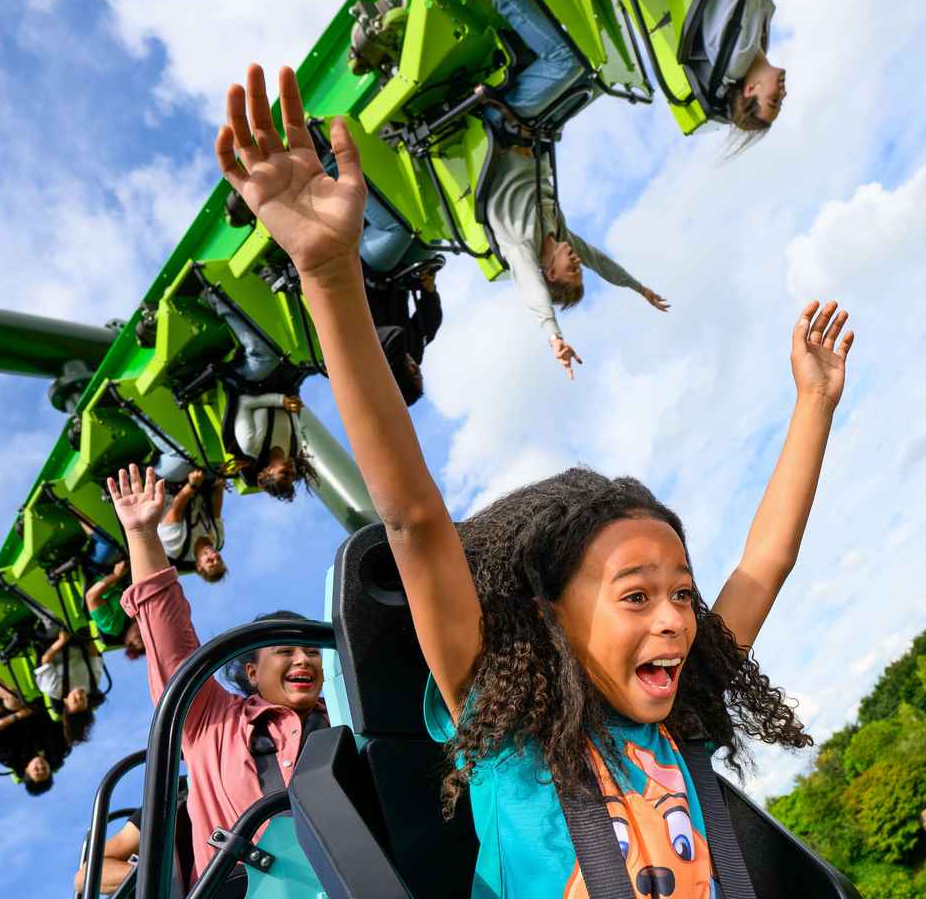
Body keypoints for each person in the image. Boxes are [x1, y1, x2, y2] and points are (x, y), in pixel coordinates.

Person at [213, 63, 856, 895]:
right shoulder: (505, 723)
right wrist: (330, 274)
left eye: (682, 594)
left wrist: (813, 405)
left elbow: (765, 563)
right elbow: (413, 518)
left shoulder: (682, 719)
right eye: (637, 596)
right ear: (550, 612)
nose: (676, 618)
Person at [108, 466, 329, 884]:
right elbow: (170, 638)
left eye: (314, 652)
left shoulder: (343, 715)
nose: (304, 659)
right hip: (249, 886)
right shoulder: (213, 721)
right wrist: (142, 535)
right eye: (286, 651)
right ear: (252, 671)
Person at [461, 0, 672, 380]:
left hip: (504, 127)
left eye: (569, 269)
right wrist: (638, 287)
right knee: (593, 80)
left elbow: (531, 291)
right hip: (531, 127)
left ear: (548, 272)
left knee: (568, 63)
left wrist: (553, 334)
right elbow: (600, 261)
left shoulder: (521, 248)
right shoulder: (558, 230)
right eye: (577, 266)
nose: (576, 260)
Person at [699, 0, 798, 148]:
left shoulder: (737, 57)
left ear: (751, 89)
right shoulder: (758, 49)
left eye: (774, 100)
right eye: (781, 102)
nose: (784, 94)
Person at [0, 680, 70, 795]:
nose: (40, 766)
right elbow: (65, 726)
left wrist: (17, 716)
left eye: (36, 770)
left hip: (12, 713)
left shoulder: (10, 760)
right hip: (42, 707)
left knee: (13, 699)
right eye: (44, 769)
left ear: (27, 771)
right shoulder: (59, 750)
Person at [367, 265, 441, 407]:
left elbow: (395, 335)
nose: (416, 367)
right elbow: (429, 324)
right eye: (419, 373)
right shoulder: (414, 353)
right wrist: (429, 291)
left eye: (414, 374)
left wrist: (398, 361)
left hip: (367, 273)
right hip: (399, 278)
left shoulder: (374, 359)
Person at [232, 389, 317, 502]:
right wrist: (294, 402)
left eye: (285, 474)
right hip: (284, 385)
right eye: (292, 476)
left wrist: (280, 400)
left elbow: (243, 402)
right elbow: (292, 410)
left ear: (268, 471)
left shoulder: (251, 445)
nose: (291, 471)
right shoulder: (295, 446)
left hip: (250, 386)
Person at [34, 626, 106, 744]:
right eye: (83, 700)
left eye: (75, 700)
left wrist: (62, 641)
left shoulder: (55, 690)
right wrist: (88, 637)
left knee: (53, 621)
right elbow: (93, 655)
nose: (79, 696)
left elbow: (45, 660)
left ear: (66, 702)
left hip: (53, 640)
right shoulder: (93, 683)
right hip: (80, 637)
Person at [158, 469, 228, 581]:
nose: (214, 555)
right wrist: (220, 486)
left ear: (199, 566)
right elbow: (216, 511)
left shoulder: (176, 548)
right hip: (197, 486)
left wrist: (192, 485)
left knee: (180, 464)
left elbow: (175, 510)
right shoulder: (218, 540)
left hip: (166, 486)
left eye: (209, 561)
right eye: (219, 559)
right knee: (217, 468)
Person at [86, 561, 147, 659]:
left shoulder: (112, 626)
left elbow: (91, 597)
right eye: (144, 635)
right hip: (125, 571)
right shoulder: (137, 616)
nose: (141, 631)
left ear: (127, 641)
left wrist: (116, 575)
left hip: (98, 571)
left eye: (138, 637)